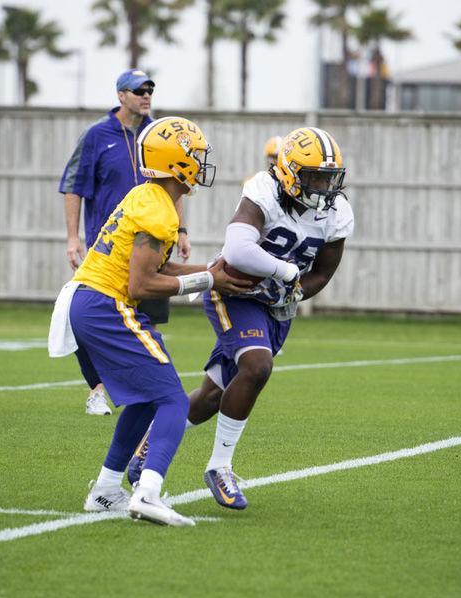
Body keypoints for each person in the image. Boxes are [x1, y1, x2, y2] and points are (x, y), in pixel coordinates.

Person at [127, 126, 355, 511]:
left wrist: (294, 292)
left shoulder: (337, 213)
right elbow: (238, 251)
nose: (322, 187)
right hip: (235, 291)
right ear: (288, 172)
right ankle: (220, 467)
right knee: (256, 366)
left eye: (328, 178)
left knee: (214, 394)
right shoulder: (262, 190)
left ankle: (149, 441)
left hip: (276, 306)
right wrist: (284, 275)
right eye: (314, 176)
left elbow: (323, 273)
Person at [48, 116, 250, 527]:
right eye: (194, 155)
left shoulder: (149, 196)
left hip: (90, 301)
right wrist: (209, 279)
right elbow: (141, 284)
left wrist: (211, 270)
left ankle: (106, 491)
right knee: (173, 400)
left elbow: (158, 265)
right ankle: (148, 492)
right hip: (108, 304)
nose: (200, 161)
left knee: (143, 401)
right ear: (176, 162)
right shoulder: (159, 209)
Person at [59, 68, 191, 416]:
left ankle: (147, 385)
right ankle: (98, 389)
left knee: (150, 313)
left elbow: (176, 182)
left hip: (153, 238)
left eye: (150, 89)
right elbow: (74, 185)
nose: (146, 95)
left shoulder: (157, 133)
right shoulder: (96, 135)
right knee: (90, 316)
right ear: (120, 95)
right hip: (110, 248)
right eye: (138, 90)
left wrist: (182, 230)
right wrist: (73, 237)